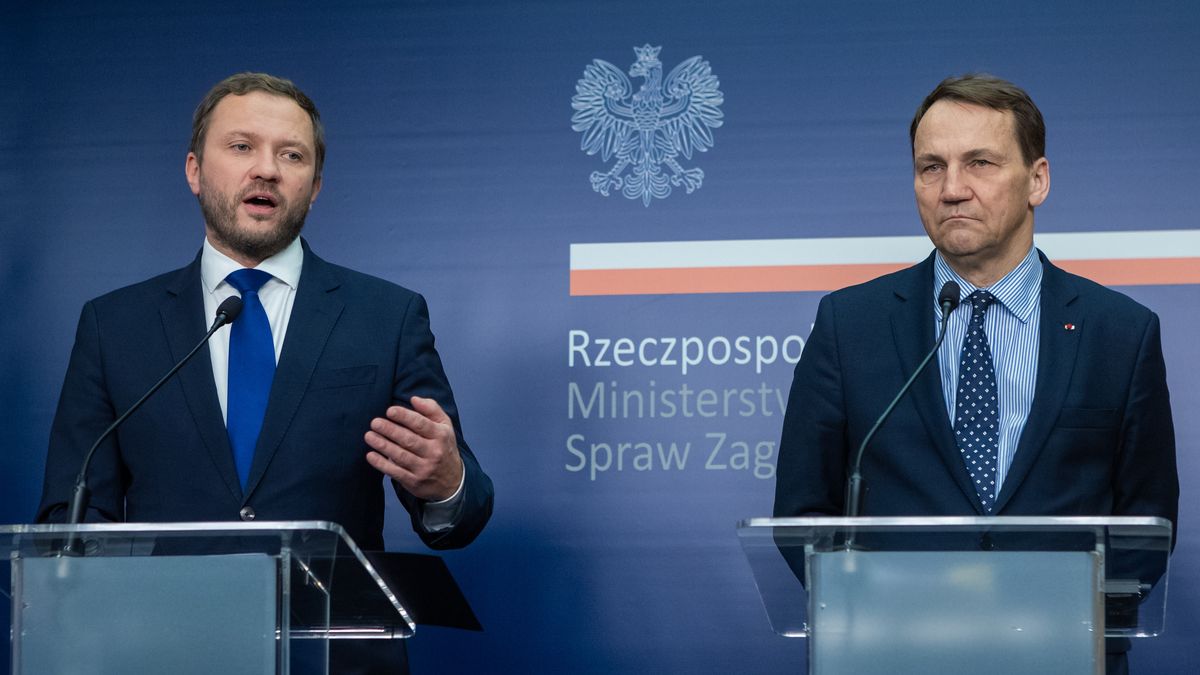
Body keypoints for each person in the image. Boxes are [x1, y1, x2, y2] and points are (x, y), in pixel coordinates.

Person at [37, 72, 494, 673]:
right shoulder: (114, 326)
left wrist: (446, 483)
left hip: (332, 653)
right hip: (162, 650)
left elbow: (459, 511)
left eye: (292, 155)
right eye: (242, 146)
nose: (268, 170)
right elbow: (70, 516)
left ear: (316, 186)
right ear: (195, 171)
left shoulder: (387, 317)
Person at [774, 74, 1178, 673]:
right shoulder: (848, 325)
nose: (952, 189)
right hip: (892, 655)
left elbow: (1147, 522)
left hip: (1062, 657)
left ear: (1037, 179)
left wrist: (1052, 618)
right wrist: (899, 609)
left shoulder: (1119, 332)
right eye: (931, 167)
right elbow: (803, 513)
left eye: (980, 163)